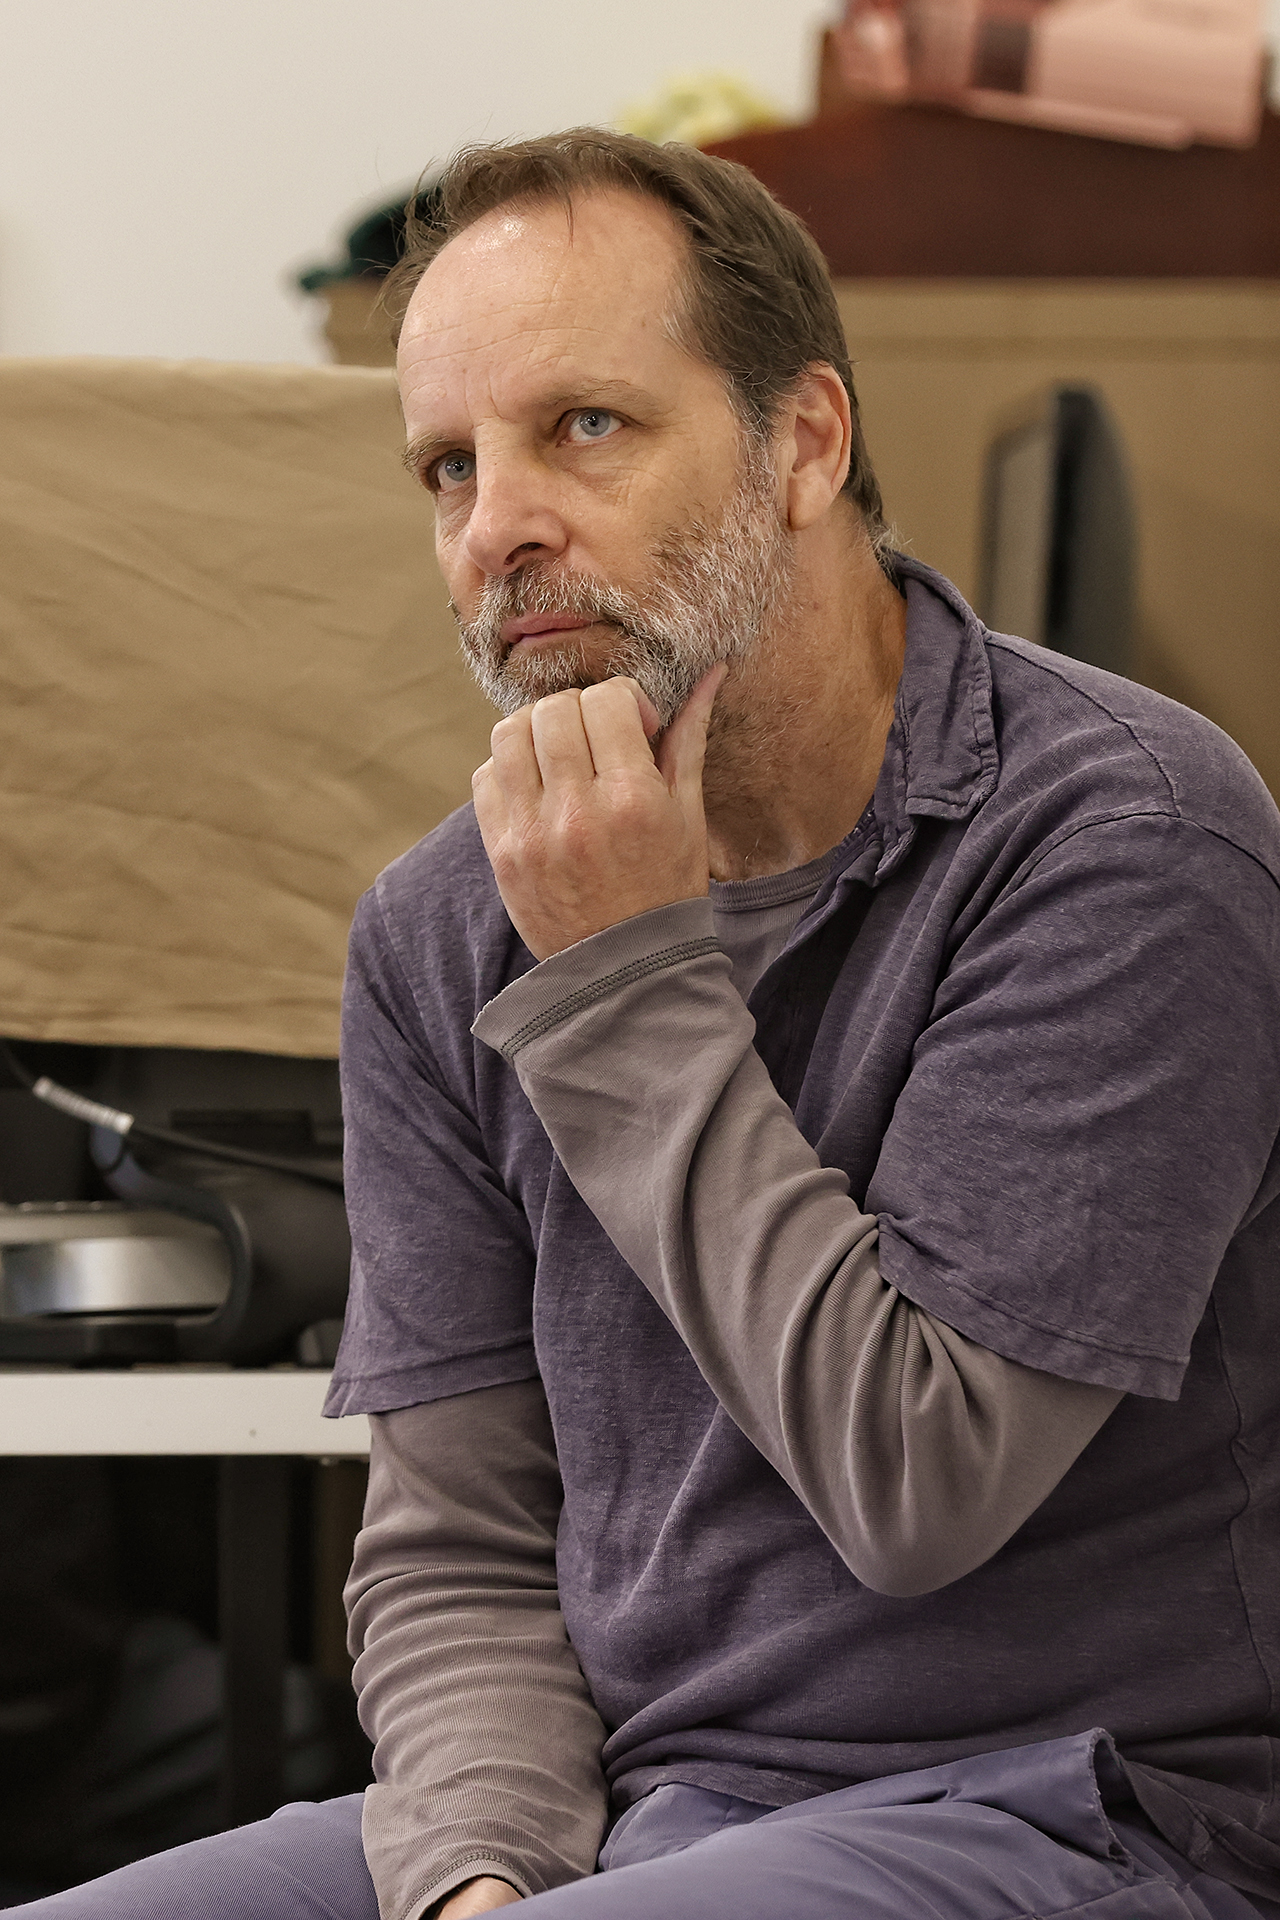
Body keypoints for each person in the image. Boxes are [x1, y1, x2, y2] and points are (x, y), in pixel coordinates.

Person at [17, 128, 1280, 1920]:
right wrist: (468, 1878)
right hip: (633, 1808)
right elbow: (457, 1550)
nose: (499, 524)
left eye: (584, 427)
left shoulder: (1129, 839)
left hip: (1077, 1807)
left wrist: (619, 982)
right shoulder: (439, 928)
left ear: (806, 445)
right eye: (449, 467)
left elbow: (919, 1480)